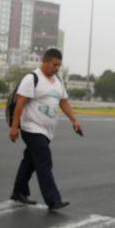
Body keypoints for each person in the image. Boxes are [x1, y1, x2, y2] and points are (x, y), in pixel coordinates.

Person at [8, 48, 80, 210]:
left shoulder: (58, 81)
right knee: (44, 160)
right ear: (45, 61)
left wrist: (74, 120)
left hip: (47, 131)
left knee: (30, 161)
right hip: (31, 127)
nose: (57, 68)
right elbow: (20, 104)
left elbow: (64, 102)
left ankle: (19, 191)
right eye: (54, 64)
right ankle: (53, 199)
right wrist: (14, 127)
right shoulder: (32, 78)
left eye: (59, 65)